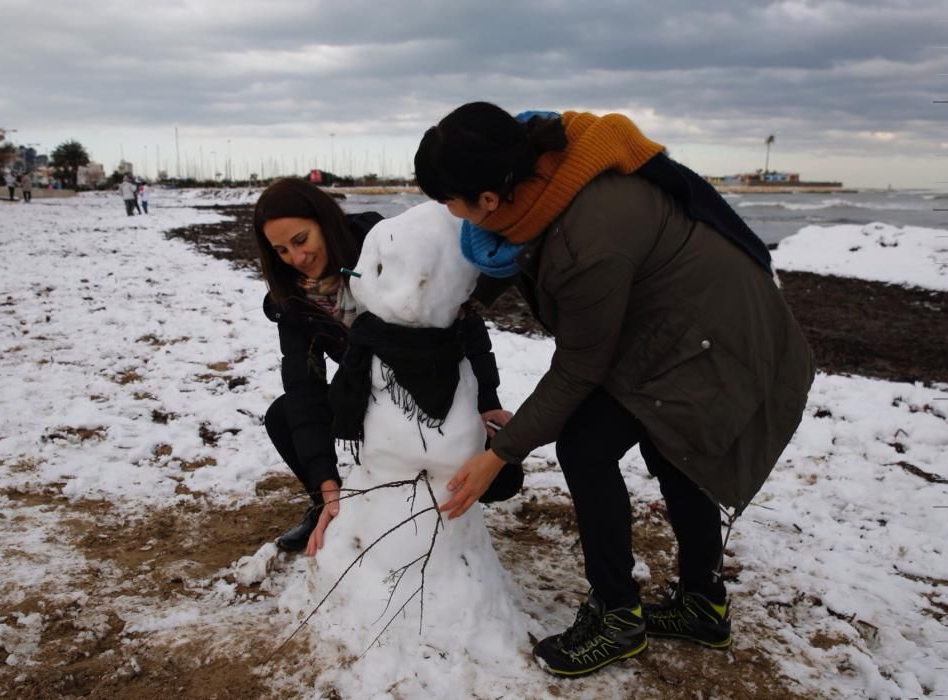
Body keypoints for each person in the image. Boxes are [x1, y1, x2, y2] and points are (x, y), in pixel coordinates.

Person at [414, 103, 814, 678]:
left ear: (490, 201)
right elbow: (529, 258)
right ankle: (703, 603)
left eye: (449, 201)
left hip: (717, 341)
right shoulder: (549, 172)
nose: (448, 214)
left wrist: (499, 454)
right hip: (681, 325)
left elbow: (579, 367)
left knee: (587, 444)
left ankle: (617, 616)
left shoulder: (588, 238)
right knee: (666, 446)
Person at [253, 177, 523, 555]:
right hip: (366, 394)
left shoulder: (383, 249)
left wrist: (486, 401)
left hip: (430, 386)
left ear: (324, 222)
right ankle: (329, 508)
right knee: (285, 415)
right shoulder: (295, 301)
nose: (296, 258)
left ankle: (441, 518)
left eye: (301, 240)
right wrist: (326, 484)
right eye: (281, 250)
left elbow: (464, 322)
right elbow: (305, 388)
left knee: (503, 480)